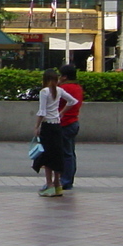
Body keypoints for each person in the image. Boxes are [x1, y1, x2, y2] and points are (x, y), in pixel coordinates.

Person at [33, 68, 77, 198]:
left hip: (47, 126)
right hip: (57, 125)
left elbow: (42, 111)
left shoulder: (44, 92)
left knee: (47, 156)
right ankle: (57, 185)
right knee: (57, 155)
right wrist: (61, 113)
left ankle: (49, 185)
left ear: (45, 79)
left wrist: (36, 126)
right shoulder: (59, 90)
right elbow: (73, 101)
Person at [57, 63, 85, 191]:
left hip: (64, 123)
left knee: (65, 154)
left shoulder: (64, 88)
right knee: (70, 153)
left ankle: (65, 180)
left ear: (64, 76)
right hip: (73, 121)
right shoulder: (77, 87)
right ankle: (68, 179)